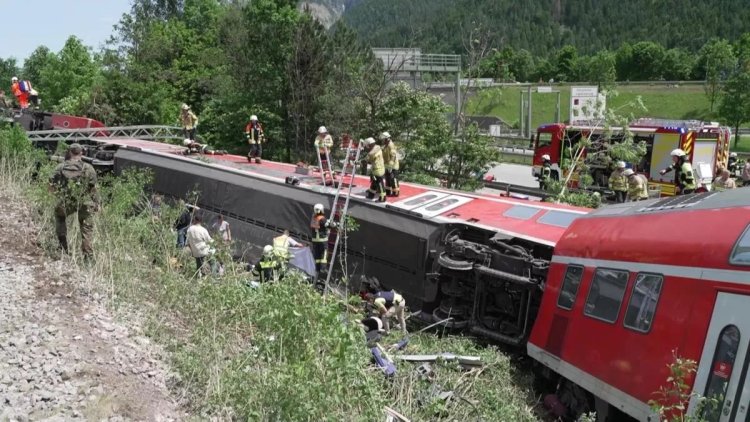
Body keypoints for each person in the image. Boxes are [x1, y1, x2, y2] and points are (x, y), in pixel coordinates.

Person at [48, 143, 100, 259]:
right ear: (81, 153)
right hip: (85, 202)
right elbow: (93, 188)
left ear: (70, 152)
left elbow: (51, 183)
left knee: (60, 217)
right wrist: (97, 203)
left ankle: (63, 248)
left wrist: (56, 195)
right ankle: (88, 257)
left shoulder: (61, 167)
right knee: (86, 229)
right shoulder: (88, 168)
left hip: (67, 202)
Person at [310, 203, 333, 275]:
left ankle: (317, 269)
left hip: (315, 240)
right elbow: (328, 225)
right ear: (322, 210)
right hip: (322, 240)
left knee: (317, 255)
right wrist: (336, 224)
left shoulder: (313, 218)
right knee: (324, 253)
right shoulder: (322, 218)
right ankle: (323, 269)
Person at [362, 137, 387, 202]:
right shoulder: (378, 147)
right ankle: (371, 194)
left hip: (378, 170)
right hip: (379, 168)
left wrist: (357, 162)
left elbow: (366, 160)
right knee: (374, 182)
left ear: (369, 145)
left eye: (367, 146)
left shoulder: (371, 153)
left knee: (379, 183)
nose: (367, 147)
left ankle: (383, 197)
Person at [380, 132, 400, 197]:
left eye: (383, 139)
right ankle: (388, 192)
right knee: (388, 179)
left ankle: (395, 192)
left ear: (386, 139)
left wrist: (391, 166)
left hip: (393, 166)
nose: (382, 141)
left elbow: (393, 156)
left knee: (393, 179)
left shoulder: (391, 145)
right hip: (387, 166)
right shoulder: (386, 145)